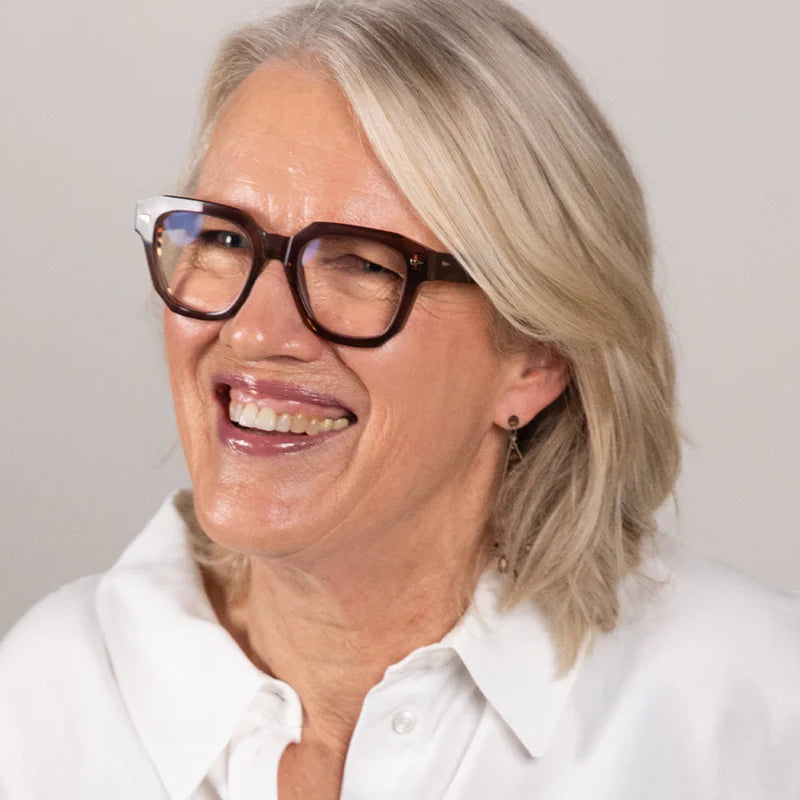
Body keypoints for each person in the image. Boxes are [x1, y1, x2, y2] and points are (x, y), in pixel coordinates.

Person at [1, 0, 798, 797]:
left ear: (537, 359)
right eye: (225, 238)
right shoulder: (45, 704)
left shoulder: (745, 709)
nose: (253, 330)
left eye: (363, 264)